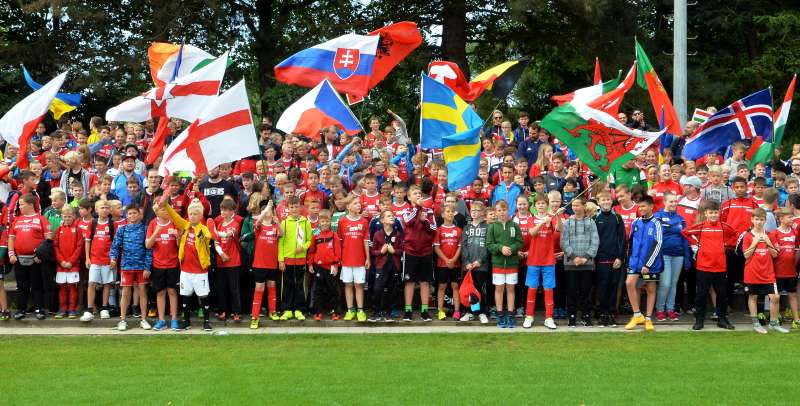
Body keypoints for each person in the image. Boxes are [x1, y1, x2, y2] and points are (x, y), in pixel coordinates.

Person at [161, 193, 214, 331]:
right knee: (185, 295)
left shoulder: (203, 229)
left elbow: (208, 236)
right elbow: (175, 217)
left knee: (203, 295)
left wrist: (202, 235)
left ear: (201, 215)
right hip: (185, 269)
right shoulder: (185, 225)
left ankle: (206, 321)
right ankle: (186, 321)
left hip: (200, 270)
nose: (192, 216)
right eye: (190, 213)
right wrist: (166, 205)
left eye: (195, 214)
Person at [682, 201, 737, 330]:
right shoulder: (700, 226)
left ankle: (721, 319)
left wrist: (726, 244)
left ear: (719, 213)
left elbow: (735, 235)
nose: (713, 215)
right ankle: (699, 320)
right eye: (711, 212)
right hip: (703, 267)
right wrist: (696, 243)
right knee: (701, 294)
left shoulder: (723, 226)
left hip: (720, 267)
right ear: (705, 213)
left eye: (715, 212)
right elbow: (685, 232)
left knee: (722, 294)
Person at [741, 208, 788, 334]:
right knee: (753, 297)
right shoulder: (747, 236)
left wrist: (768, 242)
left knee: (775, 297)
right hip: (752, 272)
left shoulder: (770, 235)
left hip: (768, 273)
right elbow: (746, 255)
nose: (759, 222)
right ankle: (756, 323)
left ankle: (773, 323)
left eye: (762, 220)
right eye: (757, 219)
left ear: (765, 220)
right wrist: (754, 243)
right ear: (752, 220)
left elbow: (775, 254)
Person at [109, 203, 152, 331]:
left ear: (140, 215)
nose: (132, 215)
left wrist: (147, 267)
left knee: (142, 291)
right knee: (125, 292)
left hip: (141, 267)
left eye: (135, 213)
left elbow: (149, 250)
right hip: (126, 266)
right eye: (130, 213)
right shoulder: (122, 229)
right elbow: (115, 246)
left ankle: (143, 319)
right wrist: (113, 258)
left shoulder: (145, 229)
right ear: (126, 216)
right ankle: (122, 320)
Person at [9, 194, 51, 320]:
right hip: (19, 259)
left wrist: (40, 255)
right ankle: (21, 309)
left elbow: (48, 240)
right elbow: (11, 238)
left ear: (30, 205)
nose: (19, 206)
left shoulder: (41, 219)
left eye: (22, 204)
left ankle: (39, 309)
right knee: (22, 285)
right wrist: (11, 254)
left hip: (35, 259)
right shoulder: (17, 220)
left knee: (37, 284)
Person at [624, 196, 662, 331]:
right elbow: (630, 242)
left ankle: (648, 319)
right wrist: (630, 260)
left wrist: (648, 264)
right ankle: (637, 315)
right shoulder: (636, 222)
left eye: (644, 206)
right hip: (635, 262)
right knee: (629, 283)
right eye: (639, 207)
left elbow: (658, 244)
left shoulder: (657, 222)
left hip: (650, 264)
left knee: (650, 289)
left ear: (651, 207)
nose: (641, 209)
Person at [524, 195, 563, 329]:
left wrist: (557, 216)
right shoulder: (531, 219)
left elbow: (560, 229)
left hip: (548, 260)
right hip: (534, 259)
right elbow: (533, 233)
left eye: (543, 203)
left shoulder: (552, 218)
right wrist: (541, 222)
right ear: (535, 206)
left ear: (547, 205)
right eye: (538, 204)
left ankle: (549, 318)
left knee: (548, 289)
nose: (541, 206)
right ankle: (529, 316)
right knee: (532, 288)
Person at [560, 197, 599, 327]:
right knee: (571, 291)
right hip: (571, 264)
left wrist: (585, 257)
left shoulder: (591, 222)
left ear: (584, 206)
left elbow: (595, 241)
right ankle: (571, 316)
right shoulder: (567, 222)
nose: (575, 208)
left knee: (586, 291)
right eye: (574, 206)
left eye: (578, 205)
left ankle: (586, 315)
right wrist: (574, 257)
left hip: (586, 264)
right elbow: (563, 242)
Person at [401, 184, 437, 322]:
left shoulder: (428, 211)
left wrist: (425, 221)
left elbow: (434, 229)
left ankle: (424, 310)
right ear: (409, 197)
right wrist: (416, 208)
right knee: (409, 281)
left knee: (424, 282)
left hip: (426, 251)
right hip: (410, 251)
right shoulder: (407, 210)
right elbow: (408, 222)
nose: (418, 196)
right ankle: (408, 310)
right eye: (415, 194)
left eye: (419, 194)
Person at [486, 200, 523, 328]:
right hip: (498, 264)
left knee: (511, 288)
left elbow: (520, 242)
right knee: (499, 289)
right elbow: (489, 245)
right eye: (499, 210)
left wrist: (512, 249)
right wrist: (501, 248)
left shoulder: (514, 226)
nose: (502, 212)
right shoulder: (492, 227)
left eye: (504, 210)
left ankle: (510, 315)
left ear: (509, 210)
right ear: (495, 212)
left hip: (512, 263)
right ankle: (500, 315)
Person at [144, 202, 180, 331]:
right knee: (160, 292)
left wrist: (177, 237)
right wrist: (157, 232)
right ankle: (161, 320)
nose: (166, 211)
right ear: (156, 211)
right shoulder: (153, 224)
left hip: (173, 264)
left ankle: (174, 319)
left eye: (167, 208)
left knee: (172, 291)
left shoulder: (174, 222)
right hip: (158, 264)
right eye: (162, 209)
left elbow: (180, 245)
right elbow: (148, 245)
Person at [593, 191, 626, 327]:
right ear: (598, 202)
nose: (606, 202)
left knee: (613, 286)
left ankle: (611, 313)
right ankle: (602, 313)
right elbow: (593, 240)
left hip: (615, 259)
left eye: (608, 200)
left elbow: (622, 239)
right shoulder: (595, 218)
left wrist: (620, 257)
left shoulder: (617, 218)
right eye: (603, 200)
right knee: (602, 286)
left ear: (611, 202)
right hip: (600, 259)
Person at [80, 200, 116, 322]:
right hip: (94, 259)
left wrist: (114, 258)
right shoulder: (92, 223)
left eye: (107, 207)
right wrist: (87, 258)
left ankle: (104, 308)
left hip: (107, 260)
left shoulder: (112, 224)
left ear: (110, 210)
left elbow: (115, 243)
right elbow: (87, 241)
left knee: (107, 284)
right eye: (102, 207)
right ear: (96, 209)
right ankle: (89, 309)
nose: (104, 209)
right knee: (92, 283)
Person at [277, 195, 312, 321]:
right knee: (287, 285)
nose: (294, 209)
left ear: (300, 207)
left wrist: (303, 247)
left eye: (296, 206)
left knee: (300, 285)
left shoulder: (306, 222)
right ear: (288, 208)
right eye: (292, 207)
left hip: (301, 259)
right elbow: (280, 243)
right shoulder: (284, 223)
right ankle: (287, 309)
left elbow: (309, 240)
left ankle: (299, 309)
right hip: (287, 259)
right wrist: (281, 260)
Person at [655, 192, 688, 322]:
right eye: (671, 201)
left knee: (673, 283)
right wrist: (672, 228)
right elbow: (659, 234)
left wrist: (686, 257)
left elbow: (684, 237)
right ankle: (660, 309)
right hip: (664, 254)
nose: (674, 204)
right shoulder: (658, 216)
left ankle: (670, 309)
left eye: (675, 201)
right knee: (665, 283)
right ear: (664, 202)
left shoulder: (680, 218)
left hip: (678, 254)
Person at [249, 201, 282, 327]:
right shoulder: (259, 226)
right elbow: (257, 222)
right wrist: (266, 208)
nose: (269, 213)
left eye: (270, 211)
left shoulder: (274, 226)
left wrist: (278, 224)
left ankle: (272, 311)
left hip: (272, 264)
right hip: (259, 264)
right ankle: (255, 317)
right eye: (266, 211)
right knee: (259, 288)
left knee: (272, 286)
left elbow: (282, 234)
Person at [337, 196, 370, 322]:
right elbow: (339, 241)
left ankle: (360, 310)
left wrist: (368, 258)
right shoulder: (342, 221)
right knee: (348, 285)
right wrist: (339, 257)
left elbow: (366, 240)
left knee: (359, 285)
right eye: (355, 203)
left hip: (360, 260)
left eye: (359, 203)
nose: (358, 205)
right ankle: (350, 309)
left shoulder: (364, 222)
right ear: (348, 207)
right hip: (346, 260)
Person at [210, 199, 243, 321]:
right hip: (221, 261)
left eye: (225, 210)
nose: (222, 212)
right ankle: (223, 311)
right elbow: (216, 243)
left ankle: (236, 312)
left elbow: (228, 235)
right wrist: (221, 253)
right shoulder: (219, 224)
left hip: (233, 261)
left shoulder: (235, 223)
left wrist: (215, 232)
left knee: (234, 288)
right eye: (221, 209)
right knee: (221, 288)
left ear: (232, 211)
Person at [369, 210, 403, 322]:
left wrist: (394, 251)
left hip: (394, 265)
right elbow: (373, 251)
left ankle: (391, 311)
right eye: (389, 216)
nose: (392, 217)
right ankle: (376, 311)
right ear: (382, 220)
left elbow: (402, 250)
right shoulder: (377, 234)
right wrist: (381, 252)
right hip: (381, 266)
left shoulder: (397, 234)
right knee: (377, 288)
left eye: (392, 216)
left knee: (393, 289)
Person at [307, 210, 342, 321]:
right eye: (322, 221)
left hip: (331, 267)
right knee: (318, 290)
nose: (325, 223)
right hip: (319, 267)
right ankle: (318, 312)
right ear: (319, 223)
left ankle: (334, 312)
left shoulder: (334, 235)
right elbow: (311, 251)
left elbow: (338, 252)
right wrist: (310, 264)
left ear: (330, 222)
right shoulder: (316, 236)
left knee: (333, 290)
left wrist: (336, 265)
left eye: (327, 221)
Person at [769, 208, 800, 329]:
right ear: (781, 219)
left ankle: (796, 319)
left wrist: (795, 266)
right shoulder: (774, 234)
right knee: (776, 297)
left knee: (792, 295)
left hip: (791, 272)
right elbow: (773, 254)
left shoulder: (795, 233)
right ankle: (775, 319)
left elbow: (796, 251)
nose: (792, 219)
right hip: (777, 272)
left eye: (792, 217)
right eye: (789, 217)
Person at [459, 201, 490, 323]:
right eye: (472, 210)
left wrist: (479, 261)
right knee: (469, 290)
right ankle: (470, 312)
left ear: (483, 212)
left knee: (479, 289)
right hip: (468, 265)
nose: (474, 212)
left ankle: (482, 312)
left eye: (477, 210)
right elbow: (464, 245)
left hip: (481, 266)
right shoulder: (467, 227)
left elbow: (487, 246)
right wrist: (466, 261)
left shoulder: (487, 227)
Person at [53, 206, 83, 319]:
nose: (67, 218)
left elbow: (79, 247)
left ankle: (71, 309)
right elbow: (55, 247)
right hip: (61, 265)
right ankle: (62, 309)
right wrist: (61, 261)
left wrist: (71, 261)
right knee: (62, 287)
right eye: (65, 216)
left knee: (72, 287)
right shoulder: (58, 230)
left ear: (74, 216)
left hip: (73, 265)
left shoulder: (78, 230)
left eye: (69, 216)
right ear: (62, 216)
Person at [434, 205, 462, 321]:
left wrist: (453, 260)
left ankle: (457, 311)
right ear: (443, 214)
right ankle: (440, 311)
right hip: (442, 263)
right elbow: (436, 248)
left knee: (455, 286)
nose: (450, 213)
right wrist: (446, 260)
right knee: (442, 286)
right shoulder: (438, 230)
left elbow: (460, 247)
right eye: (448, 211)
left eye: (452, 211)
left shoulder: (458, 230)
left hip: (455, 264)